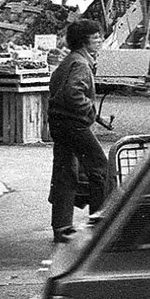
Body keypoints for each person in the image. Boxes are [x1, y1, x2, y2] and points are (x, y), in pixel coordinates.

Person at [48, 19, 114, 243]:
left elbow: (58, 87)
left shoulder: (69, 61)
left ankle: (62, 227)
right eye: (96, 38)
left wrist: (96, 116)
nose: (100, 42)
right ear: (85, 42)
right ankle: (97, 226)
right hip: (73, 124)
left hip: (59, 123)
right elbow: (72, 93)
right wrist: (89, 111)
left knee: (66, 173)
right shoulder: (81, 64)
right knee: (100, 169)